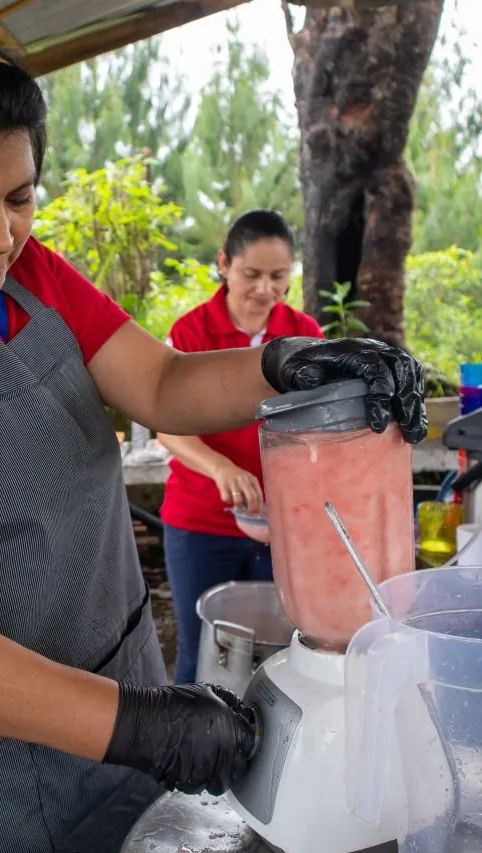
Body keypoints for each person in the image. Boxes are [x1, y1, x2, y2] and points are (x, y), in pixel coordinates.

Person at [0, 21, 428, 853]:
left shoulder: (29, 275)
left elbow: (160, 383)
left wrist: (289, 361)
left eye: (19, 197)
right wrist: (138, 725)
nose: (0, 236)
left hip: (109, 712)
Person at [156, 211, 324, 684]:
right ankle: (194, 756)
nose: (265, 289)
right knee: (201, 652)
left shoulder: (305, 335)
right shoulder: (191, 333)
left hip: (283, 526)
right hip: (200, 521)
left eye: (278, 276)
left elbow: (320, 430)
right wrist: (220, 467)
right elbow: (166, 425)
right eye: (251, 275)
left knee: (286, 656)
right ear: (224, 264)